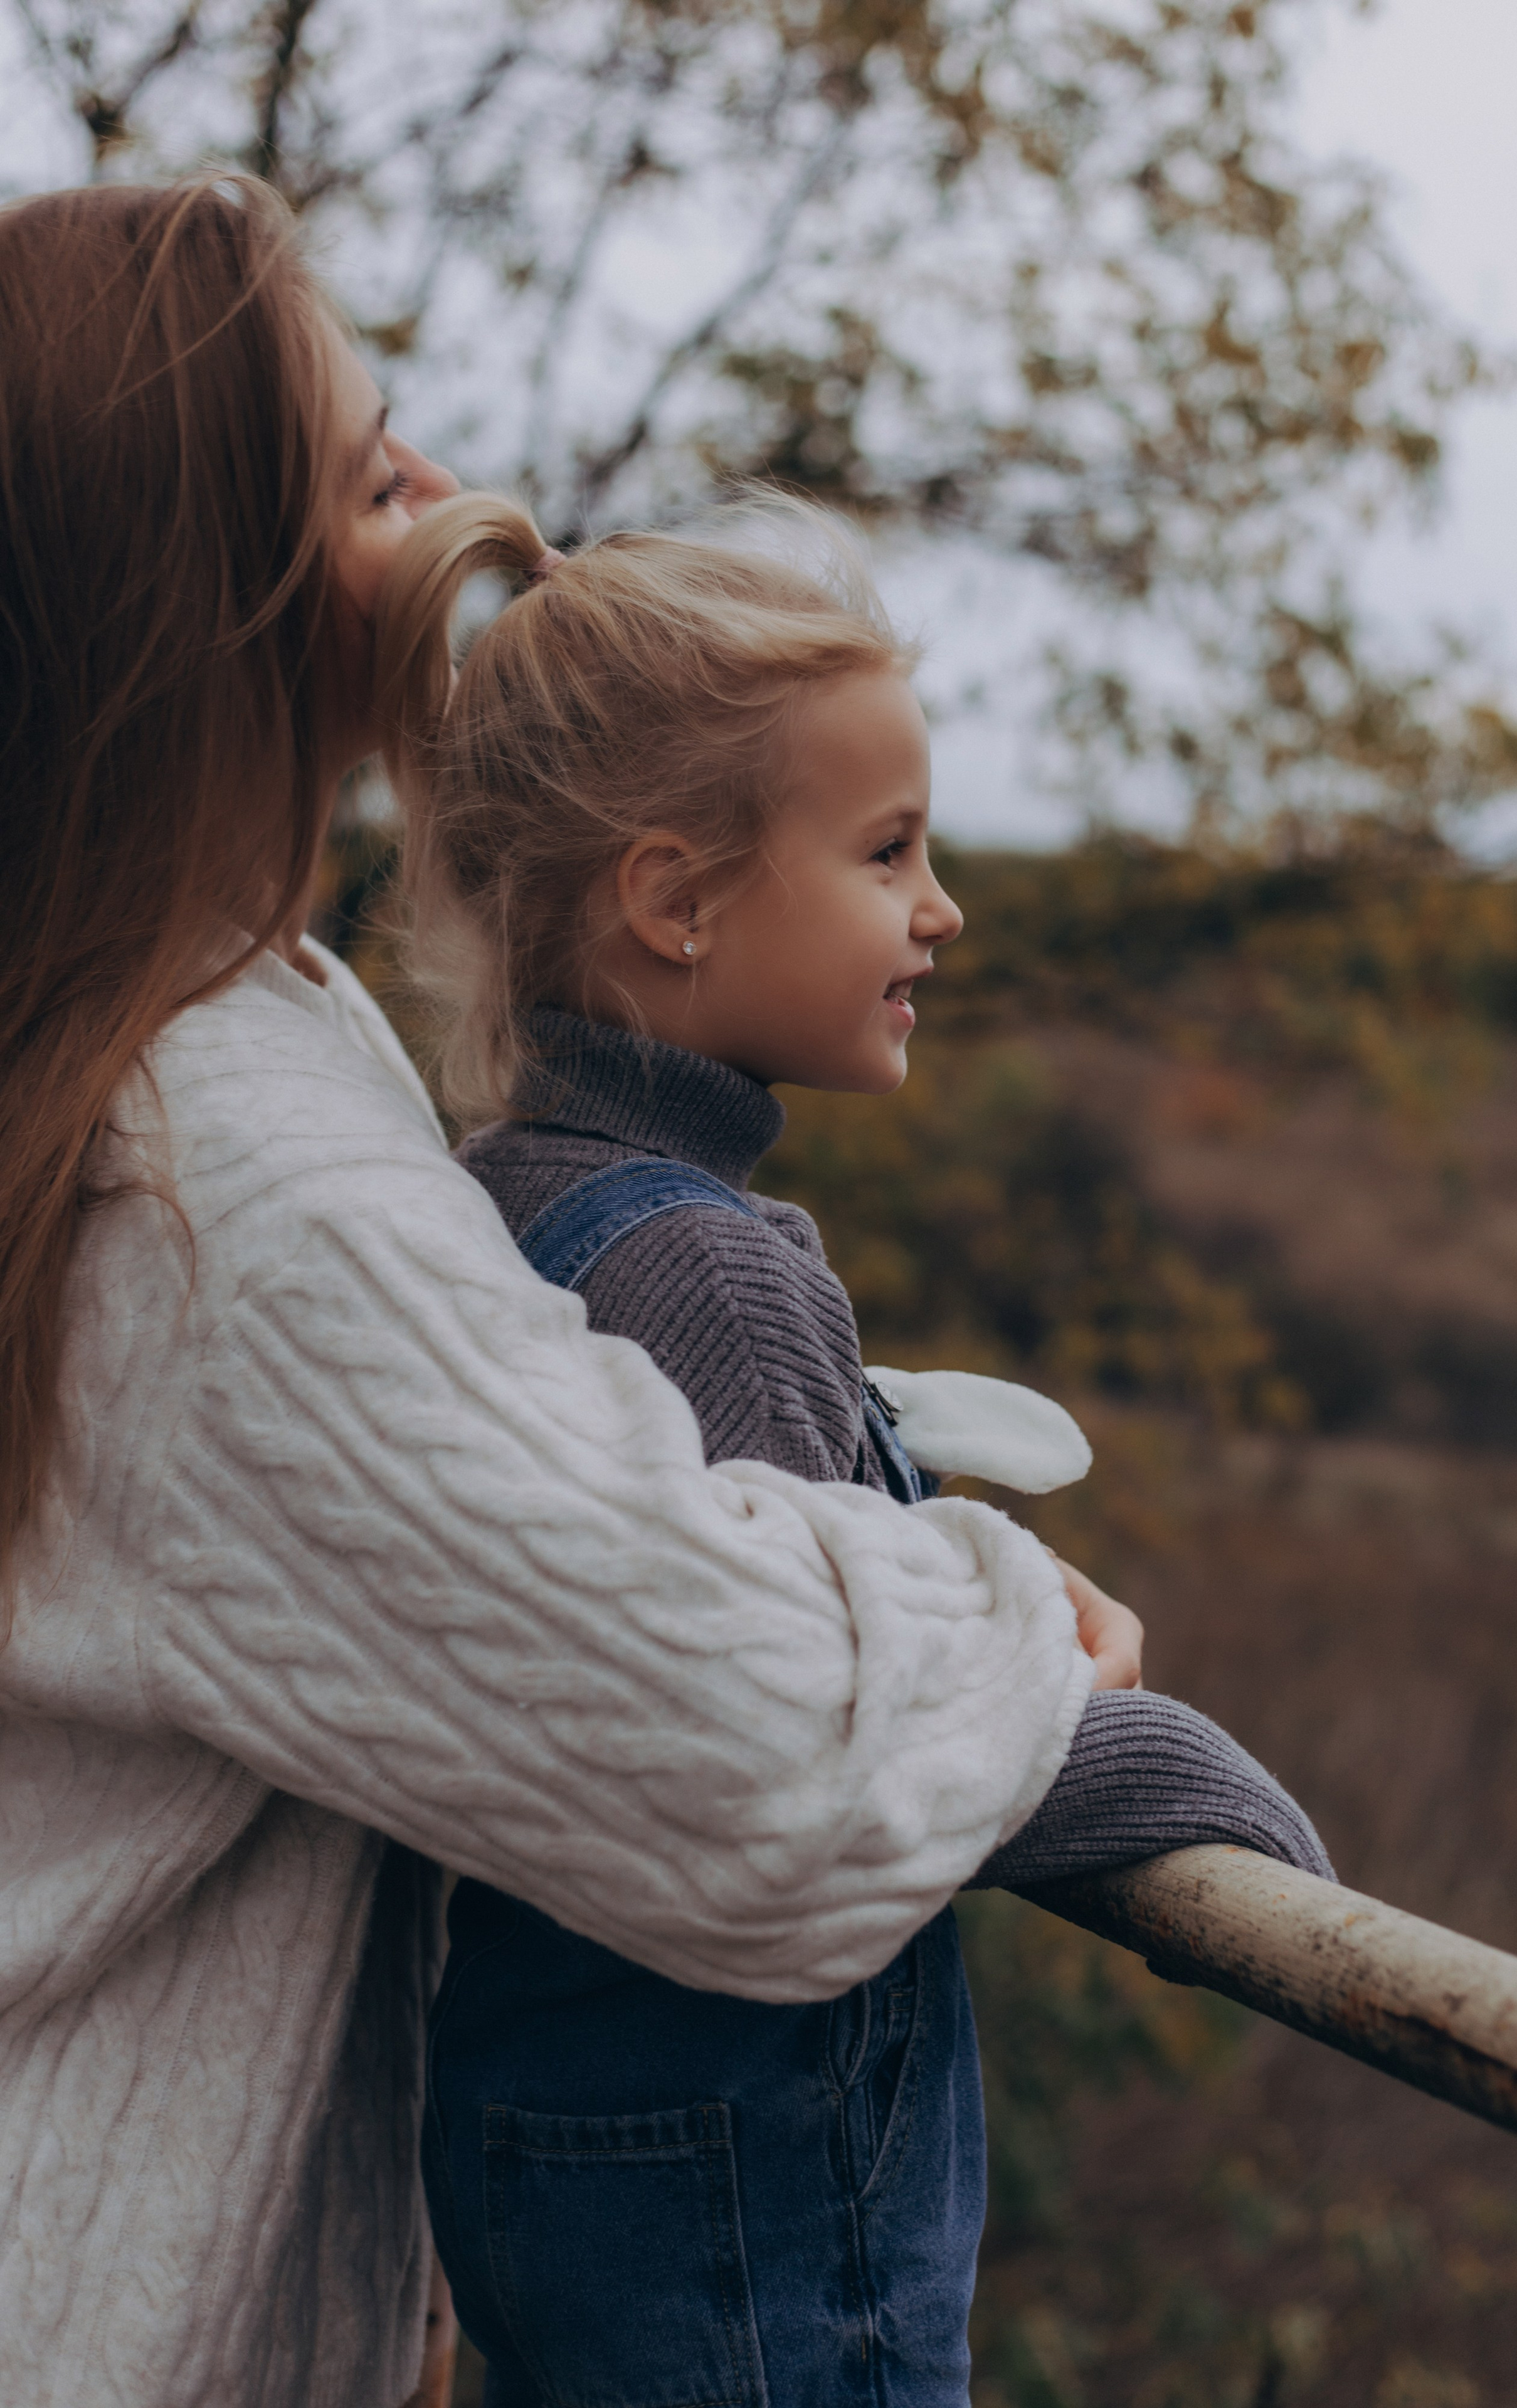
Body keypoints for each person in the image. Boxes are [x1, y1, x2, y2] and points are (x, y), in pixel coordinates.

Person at [0, 170, 1193, 2408]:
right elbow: (756, 1758)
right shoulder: (209, 1179)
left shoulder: (170, 1034)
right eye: (373, 474)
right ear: (220, 592)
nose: (449, 497)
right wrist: (1002, 1611)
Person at [374, 495, 1334, 2405]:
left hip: (570, 2148)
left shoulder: (503, 1206)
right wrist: (1225, 1809)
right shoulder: (704, 1275)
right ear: (676, 901)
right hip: (752, 2212)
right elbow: (852, 1734)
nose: (943, 906)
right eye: (888, 851)